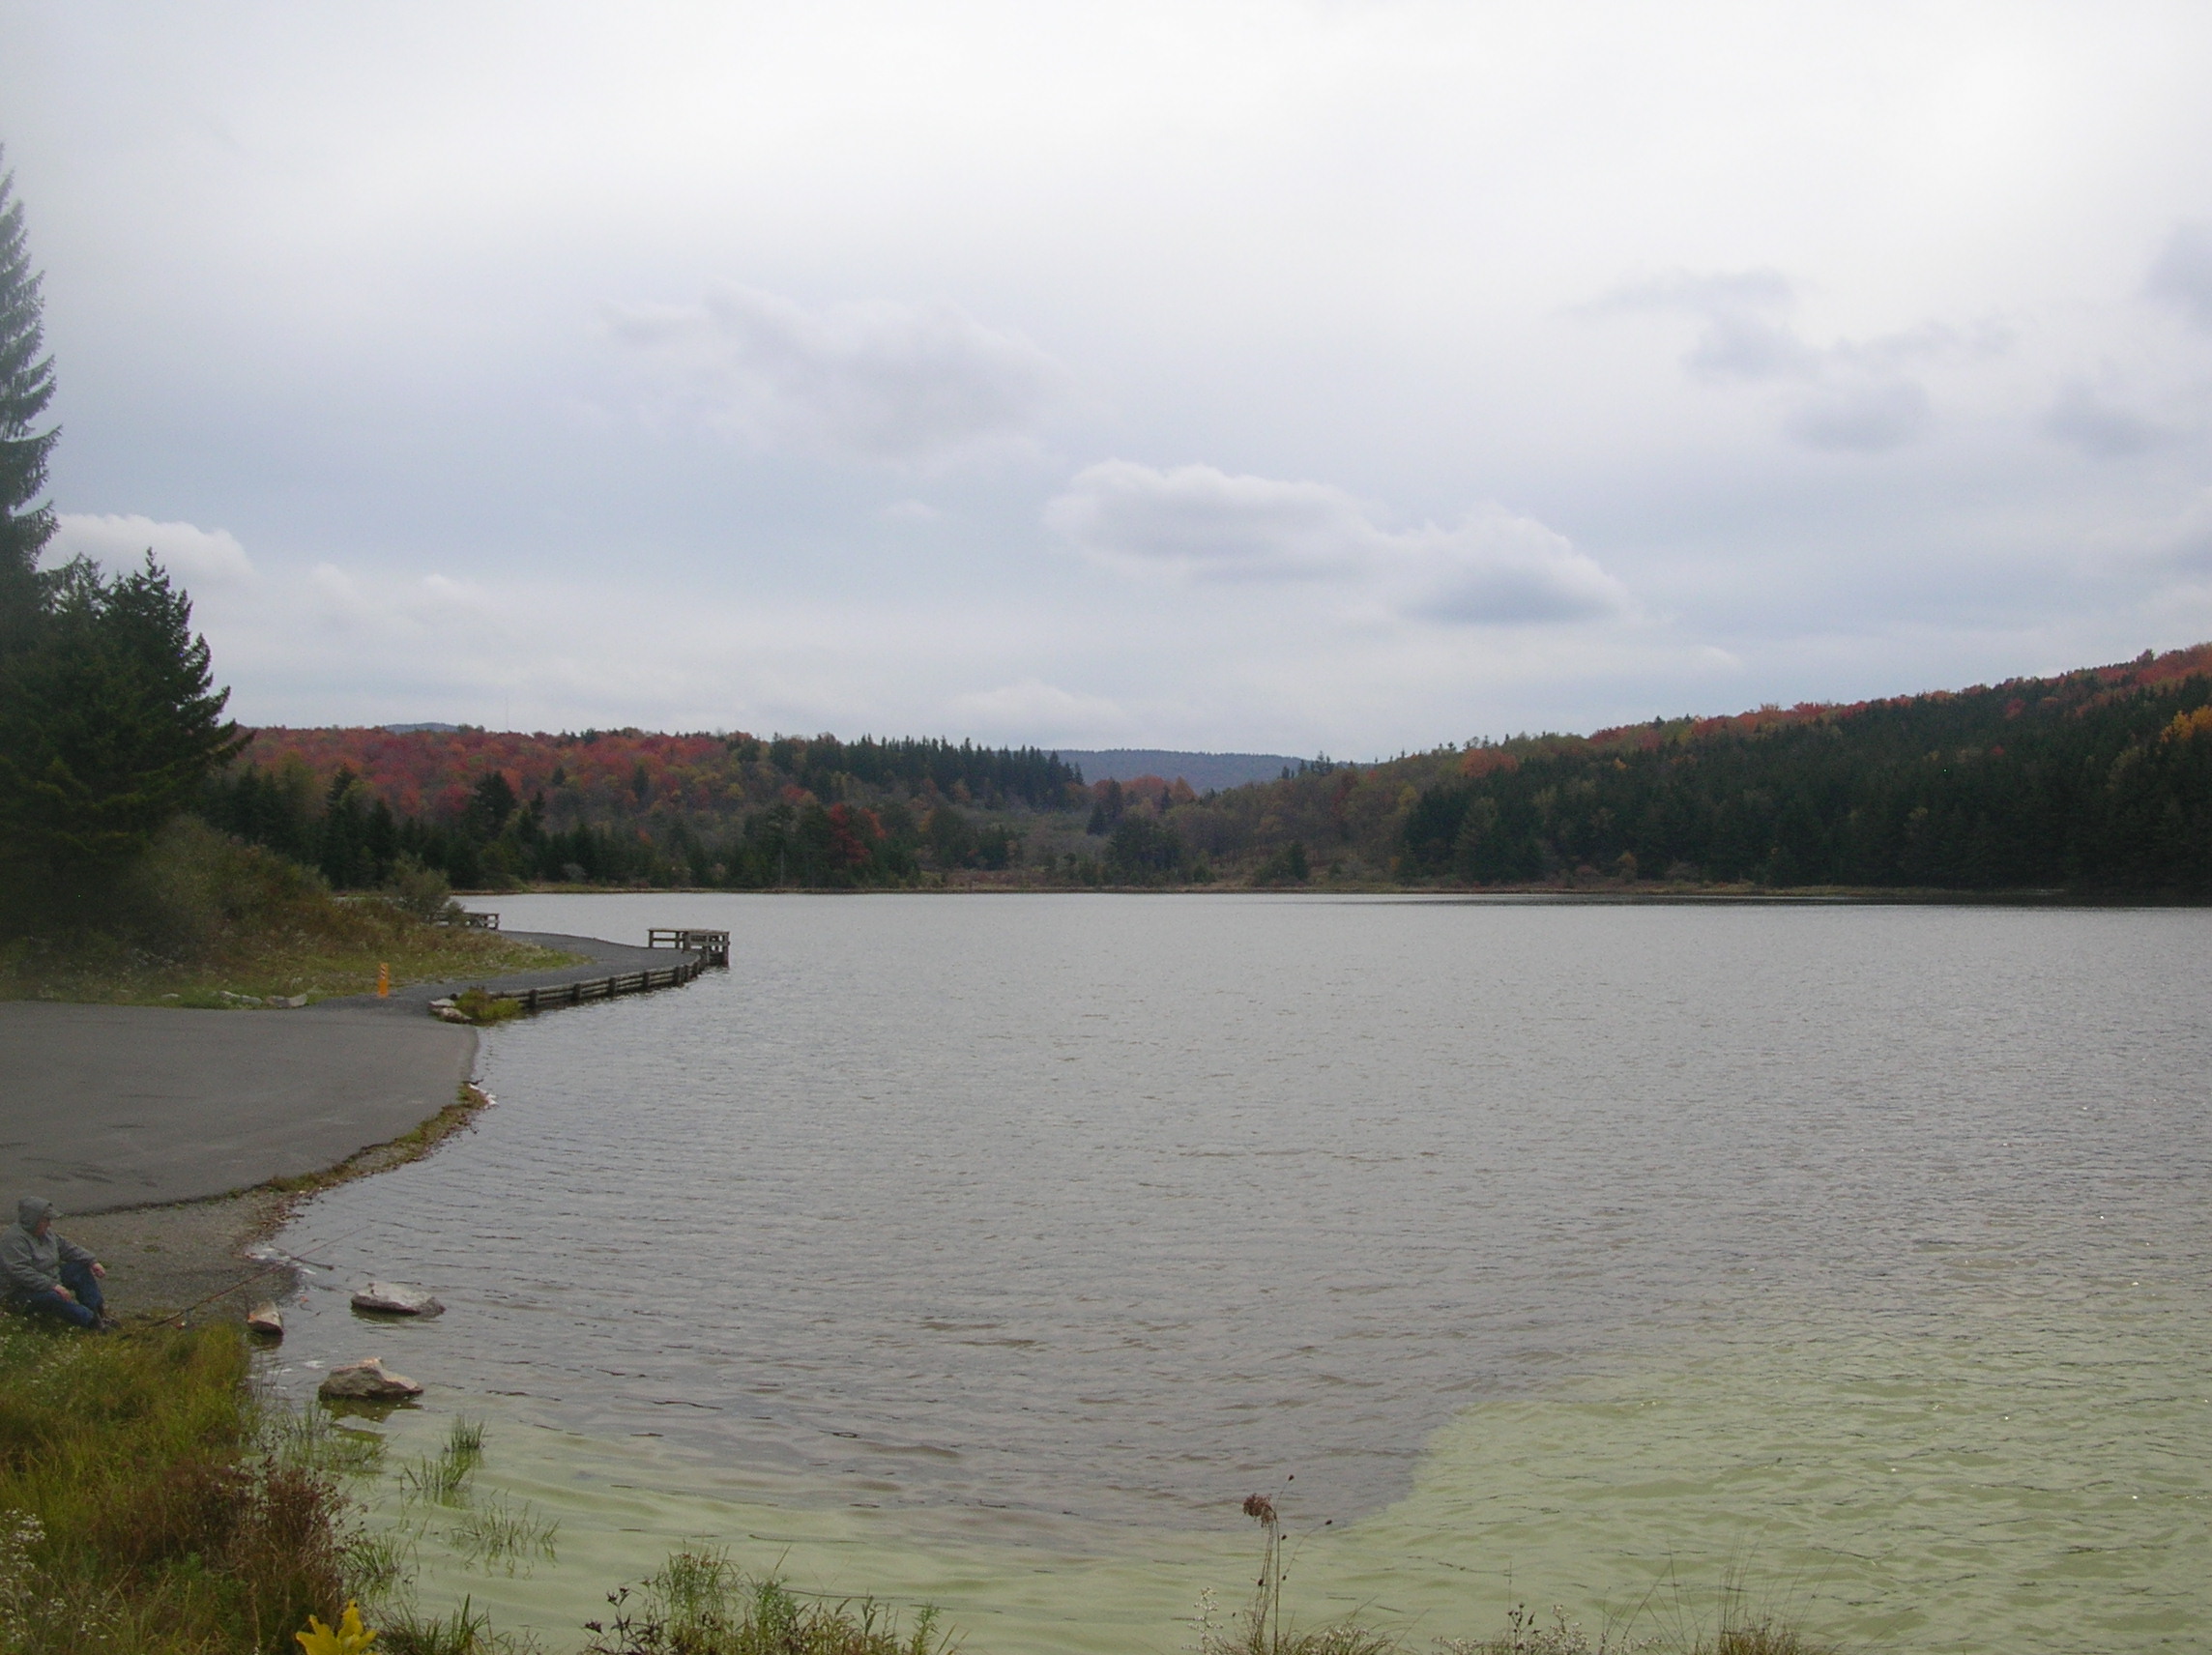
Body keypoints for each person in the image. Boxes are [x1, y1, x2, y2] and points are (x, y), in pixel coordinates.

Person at [2, 1196, 110, 1329]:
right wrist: (53, 1286)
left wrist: (92, 1261)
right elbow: (20, 1272)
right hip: (20, 1292)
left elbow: (68, 1248)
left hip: (49, 1279)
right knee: (54, 1298)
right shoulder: (12, 1240)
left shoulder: (47, 1234)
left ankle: (98, 1312)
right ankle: (91, 1322)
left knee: (78, 1270)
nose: (49, 1224)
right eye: (46, 1220)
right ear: (32, 1220)